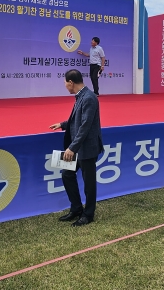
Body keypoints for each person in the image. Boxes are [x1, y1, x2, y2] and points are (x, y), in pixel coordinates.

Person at [49, 69, 104, 226]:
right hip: (77, 147)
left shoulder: (89, 98)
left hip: (86, 148)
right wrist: (63, 125)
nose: (65, 86)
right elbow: (77, 121)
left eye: (65, 83)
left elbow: (85, 126)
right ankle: (76, 208)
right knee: (67, 175)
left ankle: (88, 213)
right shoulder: (81, 96)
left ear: (71, 82)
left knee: (89, 183)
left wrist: (72, 148)